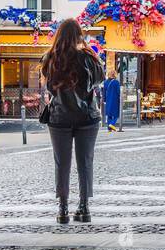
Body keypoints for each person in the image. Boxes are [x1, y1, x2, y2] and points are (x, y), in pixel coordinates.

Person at [40, 19, 105, 223]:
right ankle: (84, 208)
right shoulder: (88, 57)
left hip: (59, 118)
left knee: (62, 163)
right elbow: (99, 79)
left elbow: (49, 88)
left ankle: (62, 210)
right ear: (79, 35)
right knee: (85, 162)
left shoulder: (50, 58)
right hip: (87, 117)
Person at [102, 67, 122, 132]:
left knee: (109, 115)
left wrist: (104, 100)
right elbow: (119, 92)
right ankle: (112, 124)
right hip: (115, 100)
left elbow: (104, 92)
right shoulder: (116, 82)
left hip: (108, 100)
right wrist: (121, 98)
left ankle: (109, 128)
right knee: (116, 114)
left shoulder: (105, 82)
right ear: (115, 75)